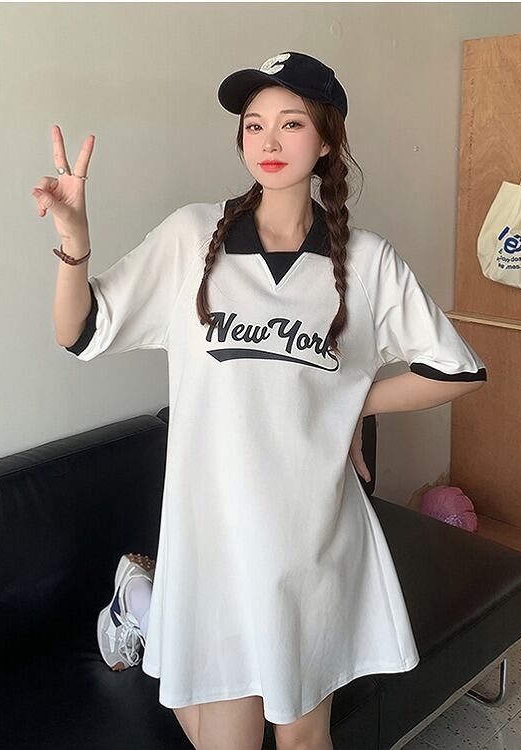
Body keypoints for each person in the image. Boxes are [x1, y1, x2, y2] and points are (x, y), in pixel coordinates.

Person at [31, 50, 487, 750]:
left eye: (291, 122)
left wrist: (354, 401)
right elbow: (79, 331)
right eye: (253, 125)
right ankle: (145, 608)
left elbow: (456, 370)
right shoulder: (191, 239)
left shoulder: (365, 262)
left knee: (302, 737)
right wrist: (75, 244)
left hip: (313, 543)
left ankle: (142, 608)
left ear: (327, 139)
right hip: (213, 543)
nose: (268, 141)